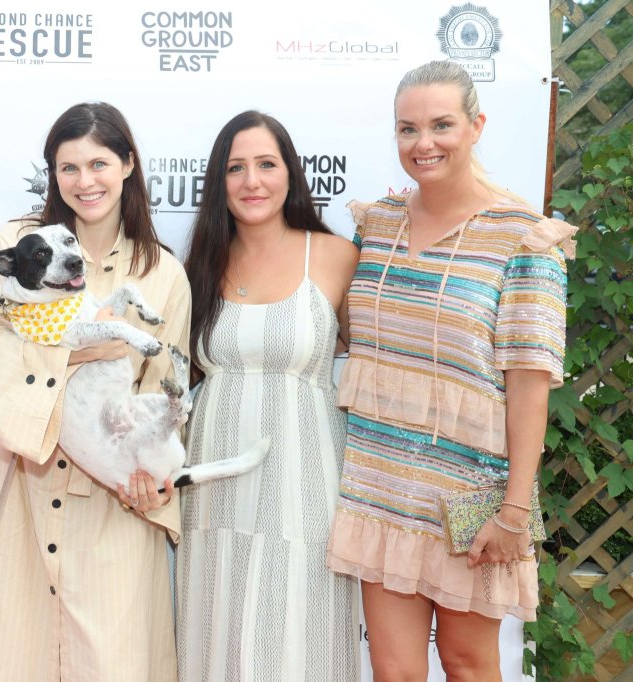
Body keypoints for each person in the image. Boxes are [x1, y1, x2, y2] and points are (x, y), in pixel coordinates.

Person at [326, 60, 576, 680]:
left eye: (441, 125)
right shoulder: (377, 224)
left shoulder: (523, 239)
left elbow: (529, 387)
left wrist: (514, 511)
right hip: (381, 484)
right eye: (408, 129)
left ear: (476, 126)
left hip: (475, 496)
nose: (424, 143)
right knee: (394, 672)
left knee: (468, 665)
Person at [0, 102, 191, 681]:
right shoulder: (16, 246)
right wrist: (88, 350)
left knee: (114, 663)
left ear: (128, 165)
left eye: (98, 164)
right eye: (69, 168)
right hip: (25, 495)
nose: (84, 182)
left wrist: (149, 478)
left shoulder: (162, 272)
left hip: (118, 500)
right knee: (20, 658)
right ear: (53, 175)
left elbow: (167, 384)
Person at [177, 111, 360, 681]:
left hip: (304, 480)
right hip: (212, 481)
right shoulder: (198, 266)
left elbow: (373, 362)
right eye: (235, 168)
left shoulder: (335, 256)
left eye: (265, 164)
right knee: (216, 630)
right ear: (218, 181)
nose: (251, 181)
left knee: (298, 633)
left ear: (290, 174)